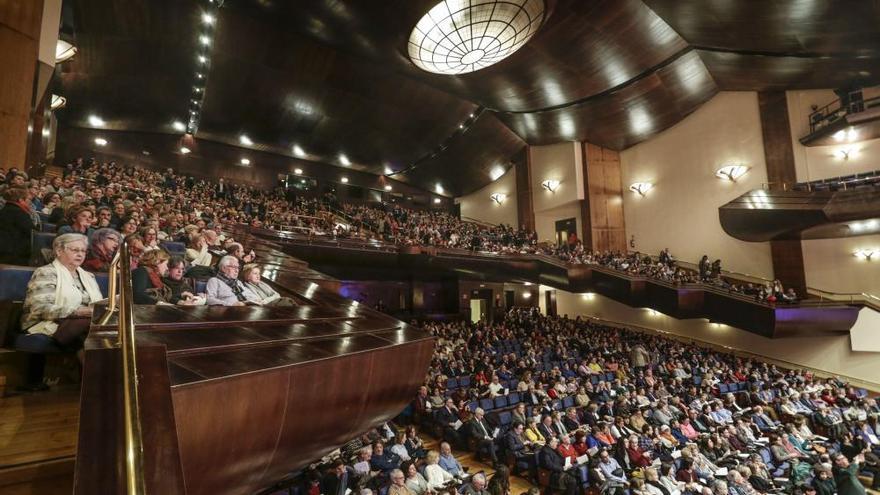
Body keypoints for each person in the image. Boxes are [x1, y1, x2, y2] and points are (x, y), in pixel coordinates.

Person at [20, 233, 103, 349]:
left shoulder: (89, 276)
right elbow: (40, 309)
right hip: (49, 323)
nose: (80, 254)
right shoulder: (46, 272)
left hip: (83, 323)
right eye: (75, 250)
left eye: (83, 251)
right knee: (93, 333)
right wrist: (78, 312)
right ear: (59, 251)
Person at [0, 187, 35, 264]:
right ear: (21, 200)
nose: (30, 203)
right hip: (16, 255)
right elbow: (31, 232)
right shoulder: (20, 213)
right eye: (28, 200)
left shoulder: (4, 209)